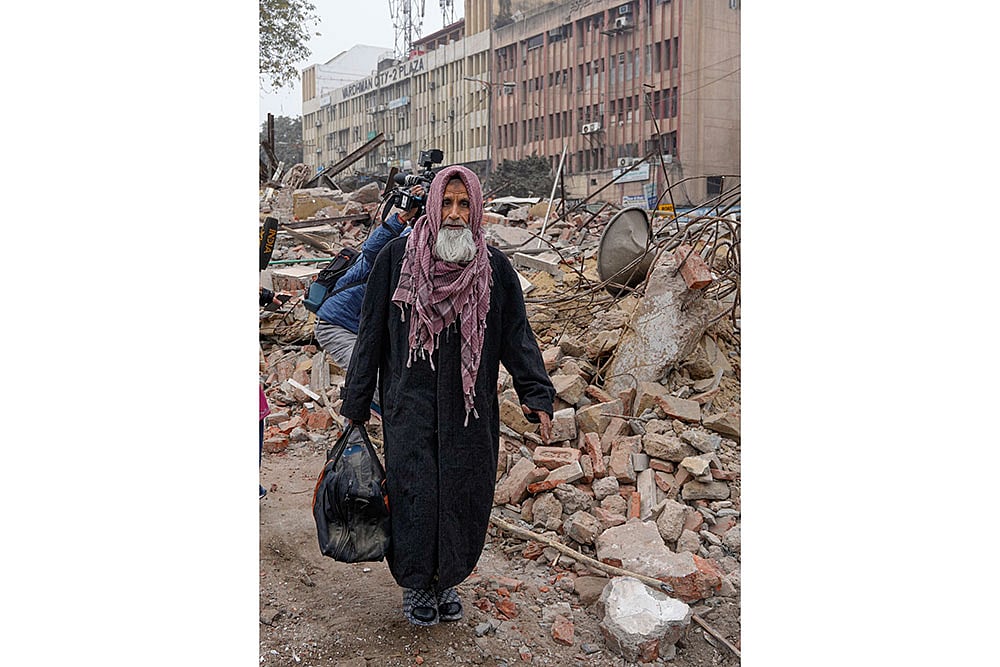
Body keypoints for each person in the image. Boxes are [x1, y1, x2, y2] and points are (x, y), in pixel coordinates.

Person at [339, 165, 555, 627]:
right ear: (433, 205)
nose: (454, 214)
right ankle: (417, 584)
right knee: (414, 492)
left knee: (463, 493)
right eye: (446, 203)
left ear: (475, 209)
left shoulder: (495, 270)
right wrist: (356, 406)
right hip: (409, 406)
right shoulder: (396, 260)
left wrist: (535, 391)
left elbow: (517, 337)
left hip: (469, 412)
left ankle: (449, 577)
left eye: (463, 204)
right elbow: (370, 336)